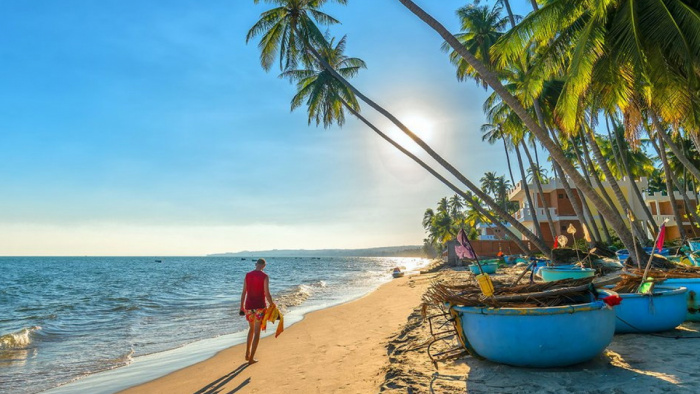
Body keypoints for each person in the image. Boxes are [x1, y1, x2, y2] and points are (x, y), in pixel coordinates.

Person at [240, 258, 274, 365]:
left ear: (256, 264)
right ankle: (251, 359)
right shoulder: (265, 276)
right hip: (260, 307)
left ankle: (247, 353)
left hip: (249, 306)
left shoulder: (248, 275)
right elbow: (267, 293)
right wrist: (272, 304)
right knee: (257, 331)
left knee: (251, 329)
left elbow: (244, 292)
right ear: (264, 265)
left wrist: (241, 306)